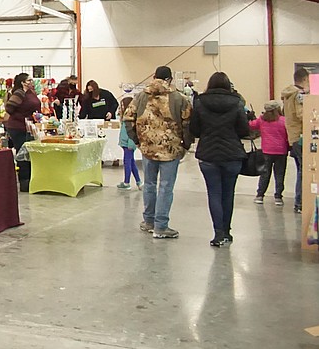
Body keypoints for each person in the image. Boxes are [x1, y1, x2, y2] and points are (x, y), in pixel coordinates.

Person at [123, 65, 191, 240]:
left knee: (150, 185)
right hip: (171, 149)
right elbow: (188, 123)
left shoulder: (140, 96)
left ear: (154, 77)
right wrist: (186, 144)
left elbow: (128, 118)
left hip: (148, 149)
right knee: (166, 187)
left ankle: (148, 221)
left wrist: (137, 140)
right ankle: (161, 226)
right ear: (170, 79)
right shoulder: (179, 98)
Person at [187, 72, 252, 247]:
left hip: (208, 154)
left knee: (214, 193)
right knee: (228, 193)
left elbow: (194, 128)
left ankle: (218, 234)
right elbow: (244, 130)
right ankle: (227, 231)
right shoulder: (237, 101)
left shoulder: (200, 101)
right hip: (232, 155)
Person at [3, 72, 41, 190]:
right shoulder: (19, 93)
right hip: (18, 127)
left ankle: (31, 180)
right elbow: (9, 108)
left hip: (29, 127)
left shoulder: (31, 92)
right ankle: (24, 182)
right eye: (29, 80)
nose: (31, 82)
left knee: (29, 154)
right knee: (23, 155)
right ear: (23, 82)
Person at [252, 100, 290, 206]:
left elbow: (251, 125)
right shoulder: (283, 121)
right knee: (279, 174)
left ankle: (260, 195)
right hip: (281, 151)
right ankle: (278, 197)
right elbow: (288, 135)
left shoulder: (261, 120)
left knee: (264, 174)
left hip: (266, 151)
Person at [282, 66, 307, 214]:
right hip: (300, 136)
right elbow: (301, 114)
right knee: (304, 172)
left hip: (292, 136)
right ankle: (300, 202)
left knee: (300, 170)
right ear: (304, 80)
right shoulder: (299, 95)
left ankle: (299, 201)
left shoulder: (287, 94)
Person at [116, 96, 141, 190]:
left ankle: (126, 182)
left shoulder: (130, 120)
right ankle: (138, 182)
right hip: (125, 144)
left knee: (127, 163)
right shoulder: (124, 118)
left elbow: (132, 132)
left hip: (128, 145)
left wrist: (131, 144)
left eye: (122, 105)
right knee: (132, 162)